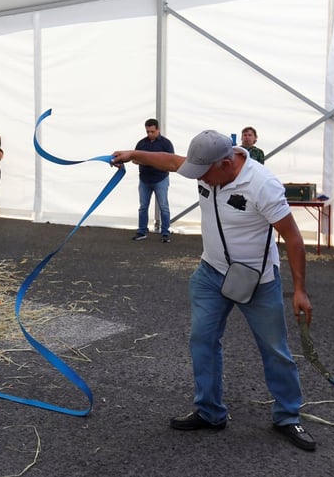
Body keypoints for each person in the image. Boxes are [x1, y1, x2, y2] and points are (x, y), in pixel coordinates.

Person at [111, 130, 316, 452]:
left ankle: (288, 416)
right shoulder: (206, 168)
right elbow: (169, 161)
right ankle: (210, 412)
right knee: (202, 341)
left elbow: (292, 237)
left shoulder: (262, 184)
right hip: (211, 274)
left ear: (226, 162)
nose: (200, 178)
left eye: (204, 173)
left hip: (258, 280)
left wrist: (300, 290)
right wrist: (133, 154)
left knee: (275, 349)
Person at [132, 118, 174, 243]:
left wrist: (154, 163)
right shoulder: (141, 143)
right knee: (143, 206)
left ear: (158, 130)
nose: (149, 134)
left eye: (152, 131)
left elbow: (172, 160)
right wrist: (143, 161)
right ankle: (142, 231)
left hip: (160, 179)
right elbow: (134, 159)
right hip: (144, 179)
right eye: (147, 132)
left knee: (164, 207)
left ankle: (165, 232)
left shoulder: (166, 144)